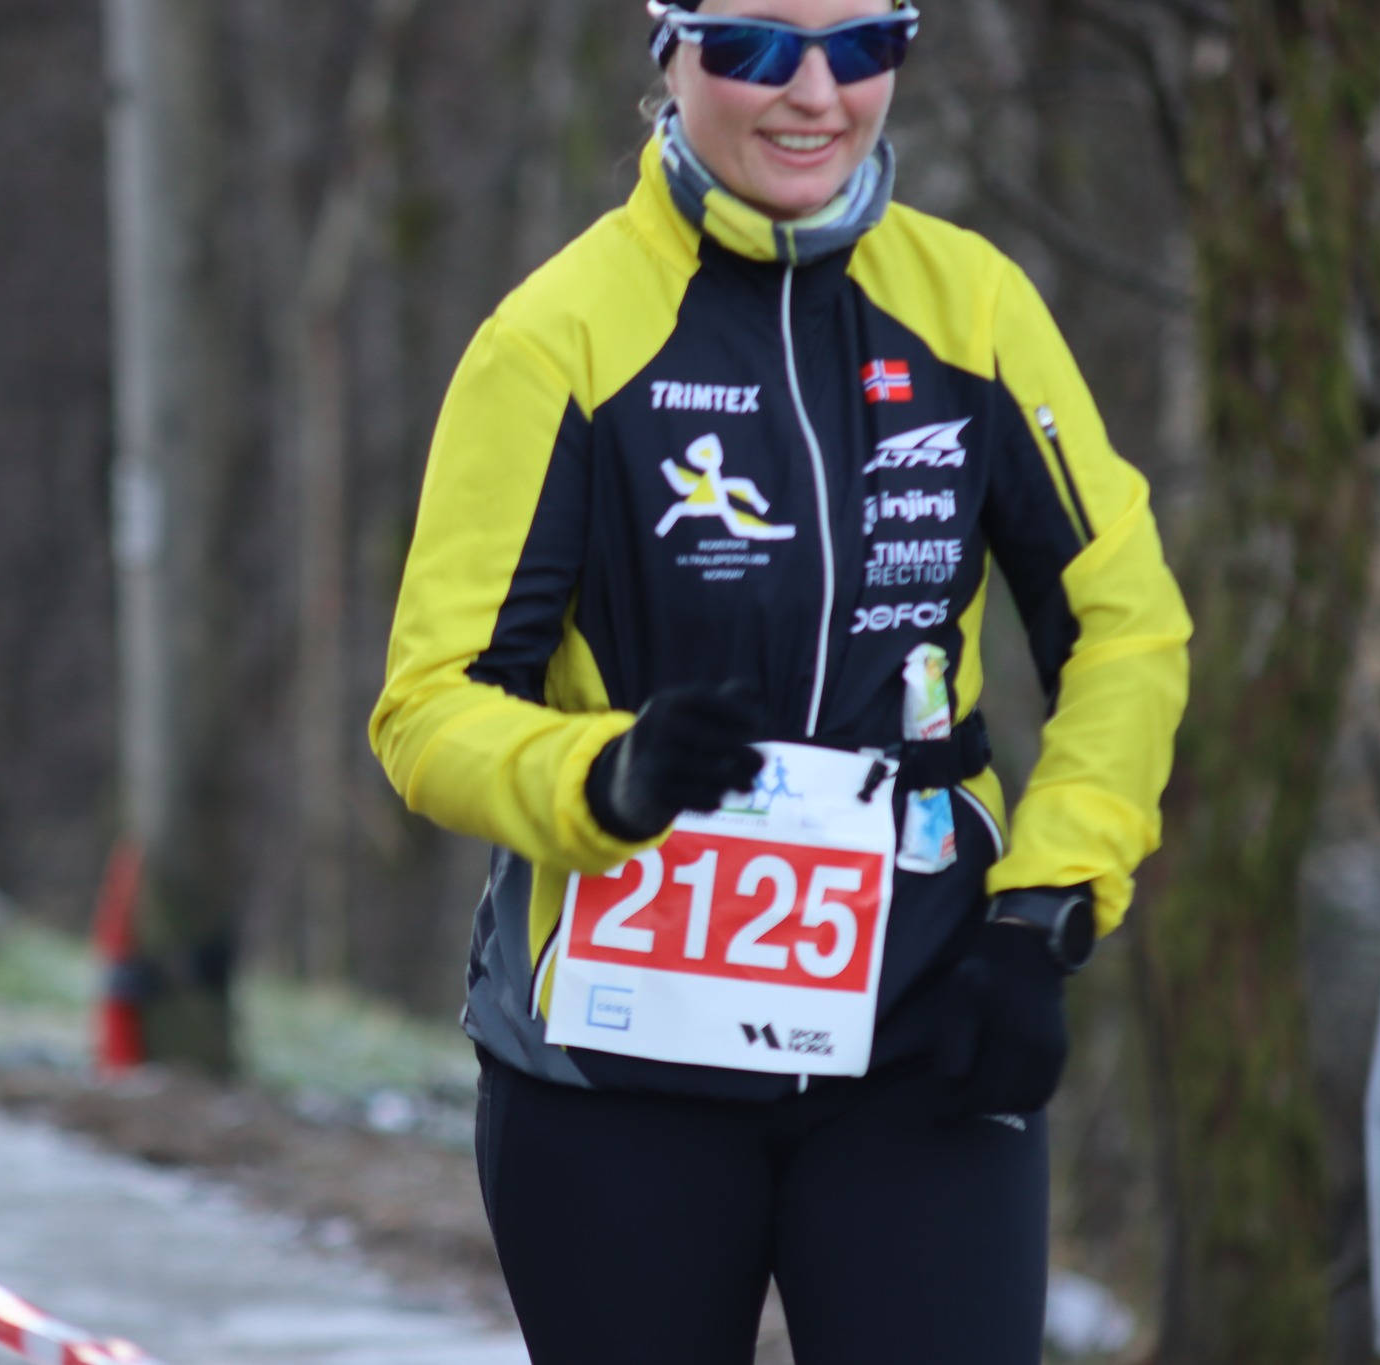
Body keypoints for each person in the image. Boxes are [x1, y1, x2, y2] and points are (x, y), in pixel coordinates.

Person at [369, 1, 1191, 1360]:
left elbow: (1127, 627)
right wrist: (602, 776)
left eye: (865, 45)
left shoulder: (973, 306)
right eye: (757, 46)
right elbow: (429, 703)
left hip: (921, 1032)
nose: (816, 92)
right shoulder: (558, 335)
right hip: (618, 1060)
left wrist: (1047, 897)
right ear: (670, 49)